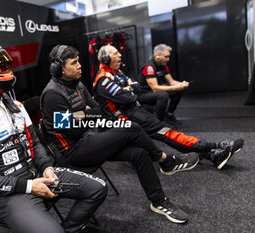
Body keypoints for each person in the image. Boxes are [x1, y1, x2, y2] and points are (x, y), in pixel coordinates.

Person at [0, 35, 108, 233]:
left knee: (98, 188)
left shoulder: (16, 106)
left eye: (1, 64)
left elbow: (36, 144)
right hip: (9, 195)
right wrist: (28, 186)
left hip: (40, 175)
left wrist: (47, 166)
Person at [41, 44, 201, 224]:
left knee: (139, 153)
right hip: (73, 152)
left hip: (89, 139)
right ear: (59, 69)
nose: (80, 66)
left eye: (78, 61)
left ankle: (159, 201)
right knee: (131, 127)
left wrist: (80, 116)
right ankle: (166, 161)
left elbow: (98, 109)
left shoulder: (77, 83)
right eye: (74, 63)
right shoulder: (52, 95)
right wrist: (85, 116)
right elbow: (72, 128)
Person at [93, 44, 244, 170]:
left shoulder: (117, 73)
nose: (120, 55)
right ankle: (216, 146)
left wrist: (129, 89)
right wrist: (129, 90)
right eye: (116, 53)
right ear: (106, 58)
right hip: (127, 119)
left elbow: (137, 87)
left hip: (135, 112)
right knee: (168, 133)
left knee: (167, 133)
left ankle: (212, 155)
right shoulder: (104, 80)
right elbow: (130, 96)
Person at [137, 44, 188, 122]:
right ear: (157, 56)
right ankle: (159, 121)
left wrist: (181, 84)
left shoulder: (163, 65)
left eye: (168, 57)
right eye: (166, 57)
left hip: (154, 91)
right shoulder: (149, 68)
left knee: (179, 90)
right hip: (144, 94)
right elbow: (155, 88)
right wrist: (176, 87)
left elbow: (172, 82)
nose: (168, 59)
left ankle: (169, 115)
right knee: (163, 95)